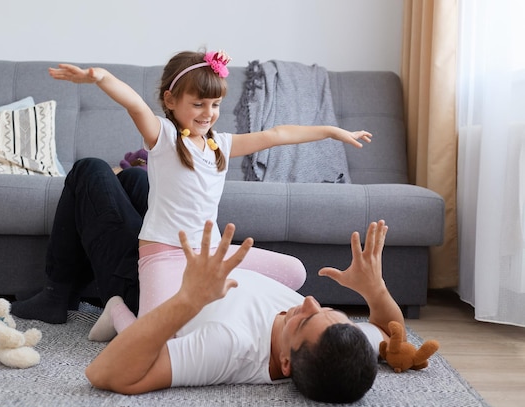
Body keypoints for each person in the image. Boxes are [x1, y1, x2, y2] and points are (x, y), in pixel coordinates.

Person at [47, 50, 374, 334]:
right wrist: (100, 77)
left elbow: (278, 133)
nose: (208, 112)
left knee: (294, 271)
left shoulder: (221, 145)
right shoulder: (164, 139)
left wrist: (332, 131)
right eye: (198, 103)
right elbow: (134, 104)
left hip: (210, 256)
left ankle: (219, 303)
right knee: (154, 338)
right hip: (164, 255)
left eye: (215, 104)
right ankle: (117, 310)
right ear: (171, 101)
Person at [85, 219, 404, 404]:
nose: (309, 302)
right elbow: (390, 330)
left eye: (306, 318)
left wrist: (189, 300)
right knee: (137, 180)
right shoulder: (341, 345)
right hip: (202, 267)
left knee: (92, 175)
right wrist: (375, 291)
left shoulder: (228, 346)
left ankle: (116, 308)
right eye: (326, 309)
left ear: (286, 362)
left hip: (160, 286)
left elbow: (103, 374)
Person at [11, 159, 149, 323]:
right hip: (153, 279)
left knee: (89, 168)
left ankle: (55, 295)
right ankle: (68, 292)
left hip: (143, 295)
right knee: (134, 178)